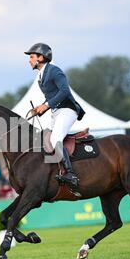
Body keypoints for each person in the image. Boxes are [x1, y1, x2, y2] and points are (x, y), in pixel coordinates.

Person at [24, 43, 85, 188]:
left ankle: (70, 173)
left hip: (68, 110)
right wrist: (41, 108)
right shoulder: (41, 76)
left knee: (56, 138)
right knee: (46, 140)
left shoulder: (55, 71)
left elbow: (64, 92)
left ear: (41, 57)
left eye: (32, 57)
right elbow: (52, 95)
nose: (29, 60)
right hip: (56, 112)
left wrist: (46, 105)